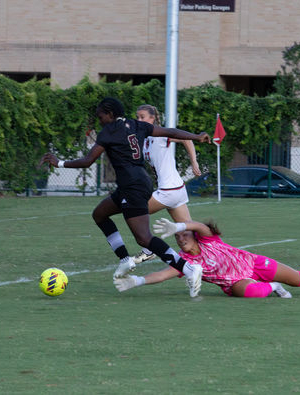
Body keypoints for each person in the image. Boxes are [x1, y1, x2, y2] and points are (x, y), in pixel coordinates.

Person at [40, 97, 211, 297]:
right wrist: (197, 137)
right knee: (100, 214)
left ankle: (188, 269)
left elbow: (88, 161)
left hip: (132, 187)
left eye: (101, 116)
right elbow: (171, 132)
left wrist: (59, 163)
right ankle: (125, 259)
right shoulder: (137, 125)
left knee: (144, 238)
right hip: (135, 184)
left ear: (110, 114)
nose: (100, 120)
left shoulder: (109, 132)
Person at [114, 218, 300, 298]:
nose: (181, 239)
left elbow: (199, 224)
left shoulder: (208, 239)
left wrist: (178, 225)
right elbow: (163, 273)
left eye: (184, 235)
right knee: (251, 294)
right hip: (234, 282)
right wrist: (137, 281)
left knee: (297, 279)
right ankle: (273, 288)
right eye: (178, 238)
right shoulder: (182, 261)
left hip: (253, 263)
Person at [133, 104, 202, 264]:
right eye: (137, 117)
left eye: (142, 117)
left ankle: (150, 249)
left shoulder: (162, 134)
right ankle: (207, 259)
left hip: (169, 190)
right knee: (188, 233)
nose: (139, 120)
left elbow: (187, 139)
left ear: (153, 118)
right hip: (175, 190)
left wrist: (194, 162)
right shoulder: (143, 139)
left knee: (134, 211)